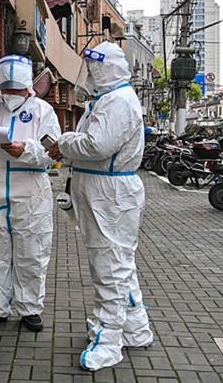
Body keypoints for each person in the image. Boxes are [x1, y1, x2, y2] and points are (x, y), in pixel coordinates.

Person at [47, 41, 153, 371]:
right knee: (119, 263)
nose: (90, 75)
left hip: (110, 193)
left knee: (110, 266)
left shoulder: (118, 101)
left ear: (105, 69)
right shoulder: (108, 100)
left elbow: (98, 145)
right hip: (104, 191)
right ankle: (136, 328)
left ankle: (108, 340)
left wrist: (63, 143)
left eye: (94, 69)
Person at [0, 54, 61, 332]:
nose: (11, 95)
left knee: (32, 251)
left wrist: (25, 150)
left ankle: (30, 308)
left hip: (30, 187)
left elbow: (52, 152)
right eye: (6, 89)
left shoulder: (43, 111)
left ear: (28, 87)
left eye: (16, 90)